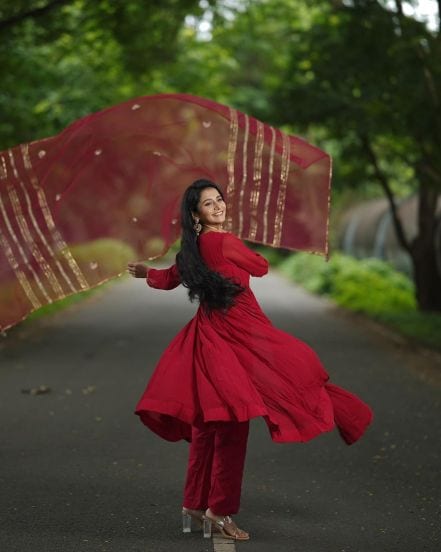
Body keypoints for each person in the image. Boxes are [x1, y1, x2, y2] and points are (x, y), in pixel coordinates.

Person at [127, 179, 373, 542]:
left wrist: (145, 272)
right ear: (196, 213)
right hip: (241, 336)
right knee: (240, 418)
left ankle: (195, 504)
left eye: (220, 200)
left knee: (210, 424)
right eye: (209, 205)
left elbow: (168, 280)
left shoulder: (191, 251)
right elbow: (260, 267)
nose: (219, 207)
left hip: (208, 339)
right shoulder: (225, 241)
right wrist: (234, 243)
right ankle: (219, 510)